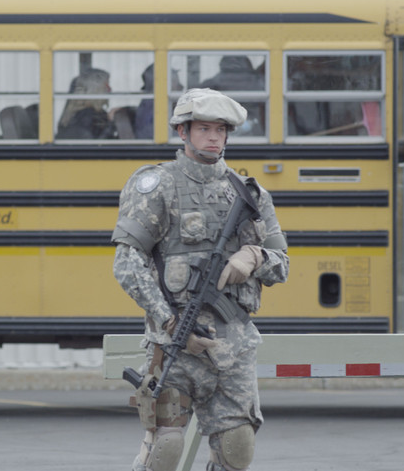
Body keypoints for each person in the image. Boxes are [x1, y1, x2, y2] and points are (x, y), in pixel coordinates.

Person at [111, 88, 289, 471]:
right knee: (167, 449)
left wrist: (253, 256)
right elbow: (127, 264)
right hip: (176, 346)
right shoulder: (157, 186)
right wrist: (171, 322)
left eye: (221, 130)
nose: (213, 137)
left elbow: (282, 265)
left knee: (237, 448)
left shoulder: (251, 195)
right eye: (204, 128)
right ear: (183, 132)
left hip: (234, 348)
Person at [56, 68, 114, 139]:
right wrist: (111, 123)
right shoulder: (87, 116)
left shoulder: (72, 115)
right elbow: (96, 146)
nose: (110, 89)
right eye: (106, 86)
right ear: (94, 90)